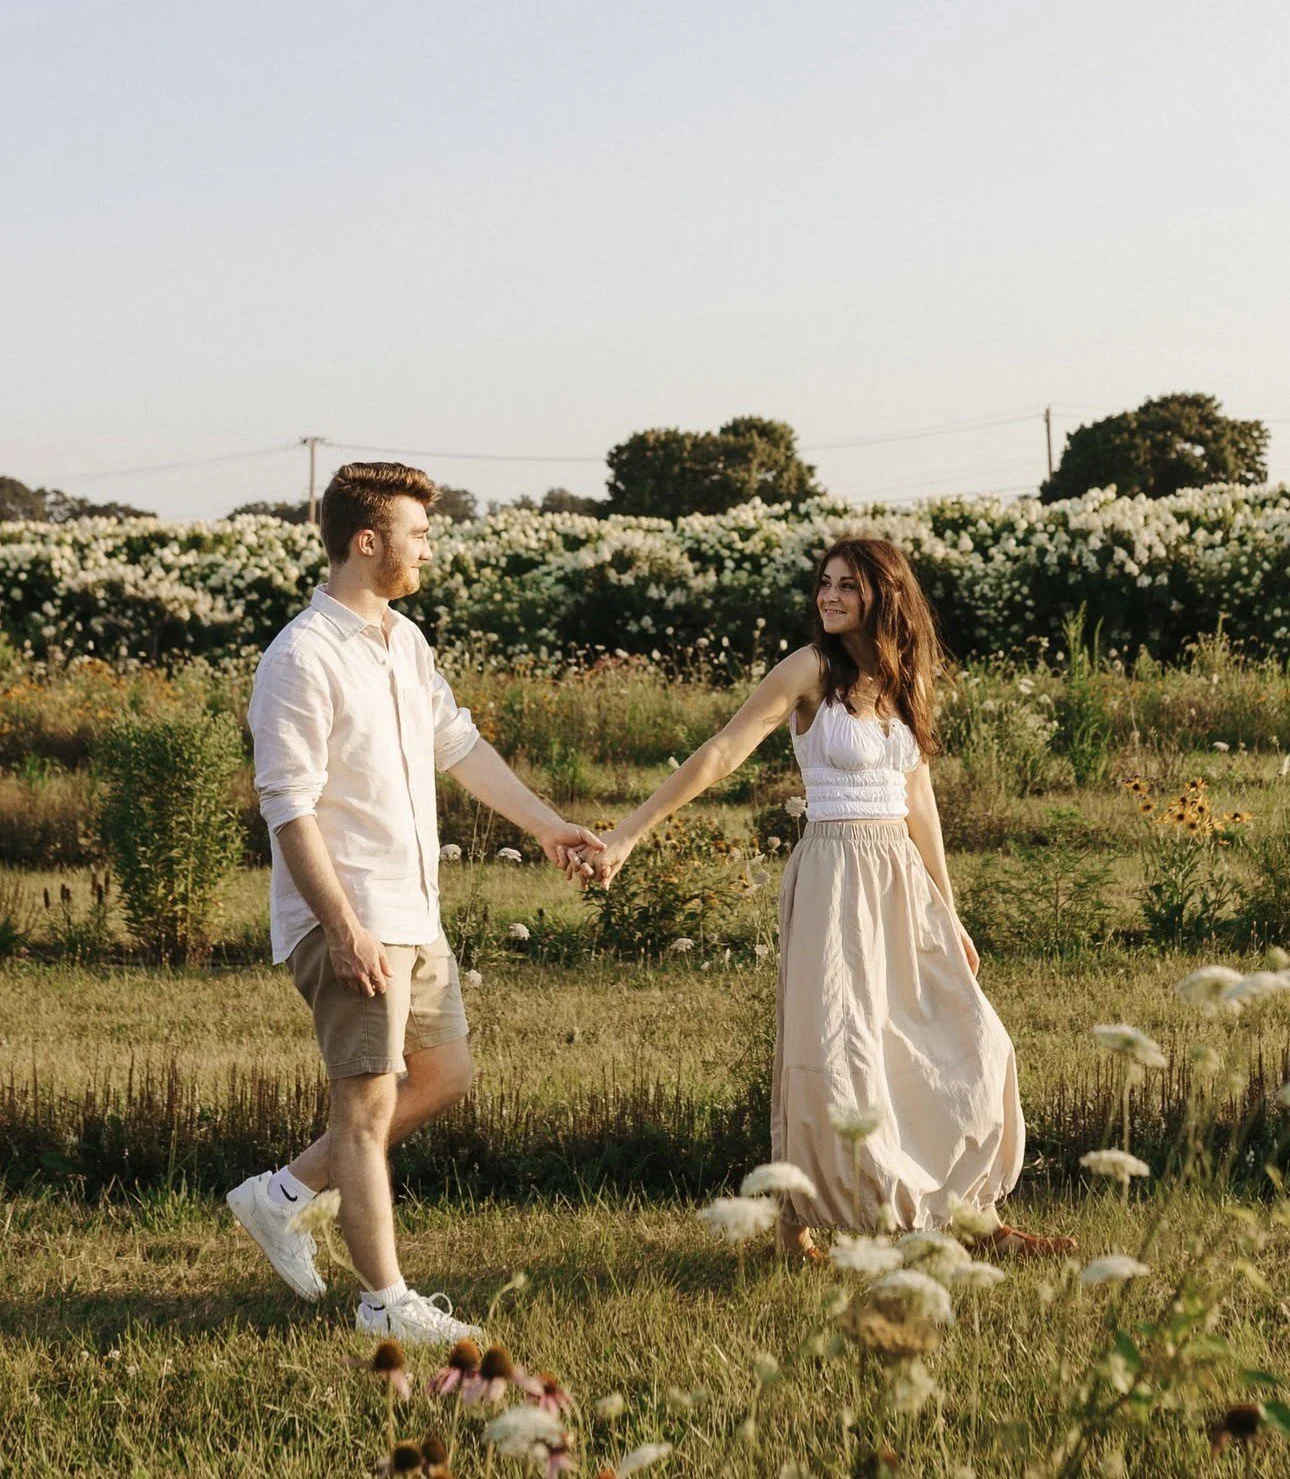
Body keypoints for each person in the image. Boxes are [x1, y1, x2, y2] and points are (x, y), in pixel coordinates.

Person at [571, 536, 1074, 1259]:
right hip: (834, 874)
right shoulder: (808, 670)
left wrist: (949, 907)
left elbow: (919, 799)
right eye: (824, 584)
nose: (828, 597)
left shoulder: (907, 678)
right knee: (836, 1048)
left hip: (899, 874)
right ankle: (795, 1223)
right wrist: (625, 834)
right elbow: (721, 752)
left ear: (885, 594)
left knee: (971, 1040)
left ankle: (971, 1215)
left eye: (846, 585)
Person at [227, 462, 603, 1341]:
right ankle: (384, 1304)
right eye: (418, 534)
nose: (430, 547)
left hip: (414, 908)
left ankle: (280, 1194)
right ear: (368, 542)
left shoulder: (406, 641)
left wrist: (551, 828)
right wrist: (343, 924)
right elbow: (288, 804)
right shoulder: (301, 656)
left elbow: (460, 747)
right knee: (362, 1106)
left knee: (444, 1075)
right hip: (352, 913)